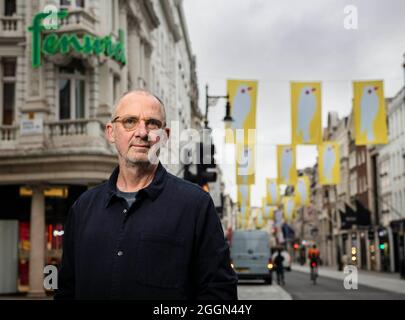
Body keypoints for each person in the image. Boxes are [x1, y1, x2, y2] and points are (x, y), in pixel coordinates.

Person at [54, 90, 238, 300]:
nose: (141, 132)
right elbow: (66, 289)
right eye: (130, 121)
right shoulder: (83, 208)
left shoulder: (195, 206)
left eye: (152, 123)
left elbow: (220, 293)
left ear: (165, 136)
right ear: (111, 132)